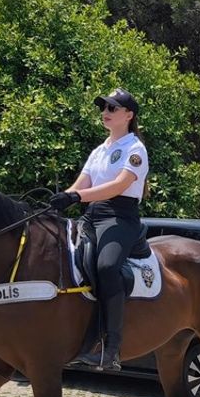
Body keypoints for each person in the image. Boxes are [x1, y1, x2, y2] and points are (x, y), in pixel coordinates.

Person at [47, 88, 149, 371]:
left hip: (120, 218)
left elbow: (118, 186)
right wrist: (61, 200)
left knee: (106, 267)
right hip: (92, 216)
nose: (105, 112)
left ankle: (111, 348)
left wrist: (77, 197)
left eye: (112, 108)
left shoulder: (135, 149)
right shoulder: (99, 150)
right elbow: (83, 182)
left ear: (128, 116)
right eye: (104, 107)